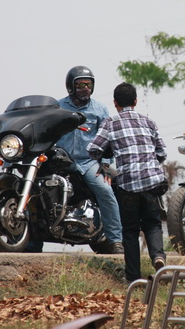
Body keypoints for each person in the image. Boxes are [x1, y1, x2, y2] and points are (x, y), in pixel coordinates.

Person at [87, 82, 168, 283]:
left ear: (115, 103)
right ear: (135, 101)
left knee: (130, 231)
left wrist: (109, 152)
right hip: (152, 182)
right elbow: (162, 152)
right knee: (153, 223)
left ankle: (133, 278)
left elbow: (93, 149)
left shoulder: (110, 123)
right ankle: (158, 257)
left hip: (128, 185)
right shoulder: (148, 122)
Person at [57, 66, 123, 254]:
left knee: (106, 191)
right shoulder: (57, 107)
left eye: (88, 85)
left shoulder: (100, 109)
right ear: (70, 86)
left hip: (88, 163)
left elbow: (108, 138)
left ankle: (115, 240)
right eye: (80, 85)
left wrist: (105, 164)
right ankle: (32, 242)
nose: (85, 88)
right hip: (60, 161)